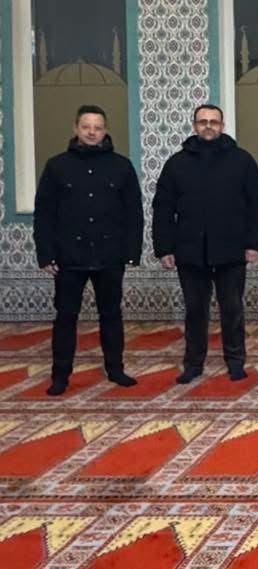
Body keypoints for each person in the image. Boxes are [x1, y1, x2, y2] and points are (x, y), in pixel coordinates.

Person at [152, 104, 258, 384]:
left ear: (222, 126)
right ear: (194, 126)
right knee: (195, 312)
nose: (208, 126)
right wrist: (164, 247)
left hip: (231, 250)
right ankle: (193, 364)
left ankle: (236, 362)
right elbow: (163, 208)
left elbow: (257, 205)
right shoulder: (177, 163)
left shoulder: (241, 160)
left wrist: (254, 243)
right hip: (190, 251)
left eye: (213, 122)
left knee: (232, 310)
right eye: (202, 121)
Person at [33, 105, 143, 396]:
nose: (92, 132)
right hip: (69, 257)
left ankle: (115, 369)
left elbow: (134, 212)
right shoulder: (57, 166)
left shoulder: (121, 166)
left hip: (110, 255)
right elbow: (44, 214)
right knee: (65, 318)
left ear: (105, 130)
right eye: (86, 127)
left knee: (112, 315)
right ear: (76, 129)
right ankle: (60, 375)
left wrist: (132, 251)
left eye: (97, 127)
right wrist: (46, 254)